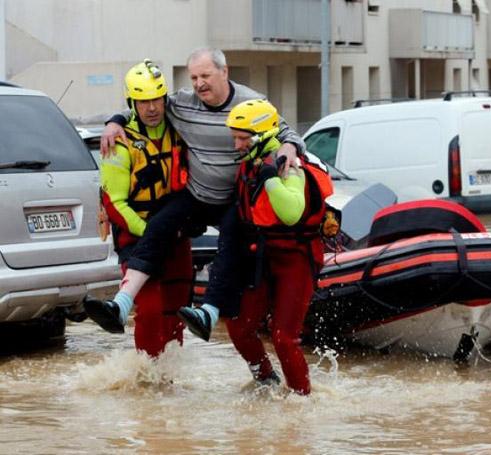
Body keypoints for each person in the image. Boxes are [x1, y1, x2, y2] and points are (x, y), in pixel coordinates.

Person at [91, 46, 305, 340]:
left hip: (232, 197)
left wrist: (290, 147)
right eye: (193, 77)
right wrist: (114, 121)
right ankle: (121, 303)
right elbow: (142, 106)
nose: (199, 83)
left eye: (205, 75)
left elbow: (285, 131)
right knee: (160, 224)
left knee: (230, 241)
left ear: (224, 71)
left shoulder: (253, 102)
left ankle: (210, 311)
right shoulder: (180, 103)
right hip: (196, 194)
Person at [217, 99, 333, 395]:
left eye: (242, 139)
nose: (237, 145)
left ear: (261, 136)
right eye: (235, 138)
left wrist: (270, 180)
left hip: (296, 257)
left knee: (284, 336)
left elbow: (292, 212)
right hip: (263, 256)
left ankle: (301, 400)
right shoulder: (249, 164)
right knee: (238, 325)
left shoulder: (289, 167)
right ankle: (265, 379)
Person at [84, 59, 191, 357]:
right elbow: (115, 204)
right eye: (144, 101)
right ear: (132, 102)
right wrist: (151, 233)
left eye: (157, 98)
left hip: (177, 232)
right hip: (137, 234)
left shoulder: (179, 127)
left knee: (177, 309)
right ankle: (146, 380)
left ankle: (169, 381)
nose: (152, 108)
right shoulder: (118, 142)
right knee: (151, 311)